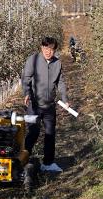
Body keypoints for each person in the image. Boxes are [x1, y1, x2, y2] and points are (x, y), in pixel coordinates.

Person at [21, 36, 70, 172]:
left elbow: (60, 82)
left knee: (50, 134)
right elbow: (26, 78)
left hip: (49, 106)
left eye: (51, 49)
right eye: (45, 48)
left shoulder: (57, 63)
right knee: (33, 132)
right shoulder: (34, 60)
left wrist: (65, 98)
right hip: (34, 104)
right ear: (41, 48)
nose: (48, 51)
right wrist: (26, 93)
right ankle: (23, 159)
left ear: (55, 50)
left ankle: (48, 163)